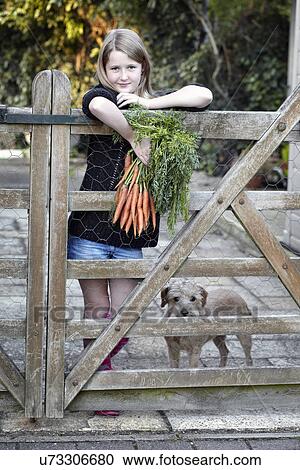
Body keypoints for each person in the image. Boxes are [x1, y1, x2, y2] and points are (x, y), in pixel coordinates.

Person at [68, 28, 213, 416]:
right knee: (96, 308)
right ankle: (98, 379)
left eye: (131, 66)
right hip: (91, 227)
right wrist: (135, 136)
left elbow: (203, 95)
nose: (122, 75)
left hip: (132, 231)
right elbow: (97, 105)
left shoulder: (151, 103)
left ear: (143, 66)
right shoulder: (102, 97)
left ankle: (102, 359)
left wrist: (149, 106)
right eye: (114, 67)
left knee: (126, 312)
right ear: (103, 68)